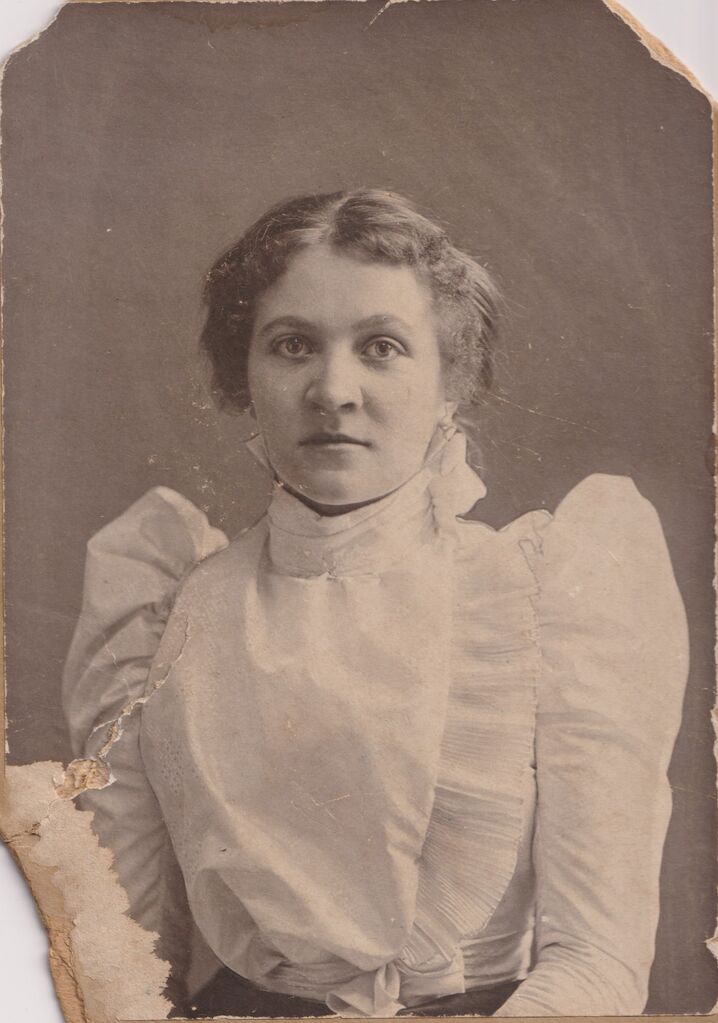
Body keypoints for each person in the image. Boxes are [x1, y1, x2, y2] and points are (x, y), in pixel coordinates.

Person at [62, 189, 689, 1018]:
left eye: (382, 347)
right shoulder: (168, 602)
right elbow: (126, 965)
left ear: (450, 380)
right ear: (244, 374)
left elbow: (596, 963)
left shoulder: (540, 594)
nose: (334, 390)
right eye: (292, 345)